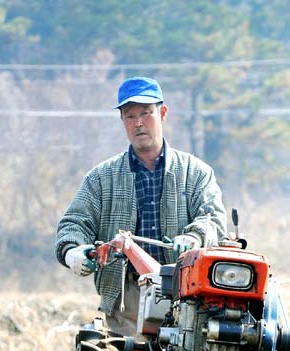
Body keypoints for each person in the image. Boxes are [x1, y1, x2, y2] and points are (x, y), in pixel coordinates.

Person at [56, 76, 227, 334]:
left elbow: (213, 218)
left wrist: (194, 237)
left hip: (185, 294)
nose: (138, 123)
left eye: (146, 114)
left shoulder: (196, 173)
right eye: (129, 115)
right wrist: (72, 252)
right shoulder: (101, 178)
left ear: (163, 113)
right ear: (122, 120)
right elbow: (74, 223)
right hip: (125, 298)